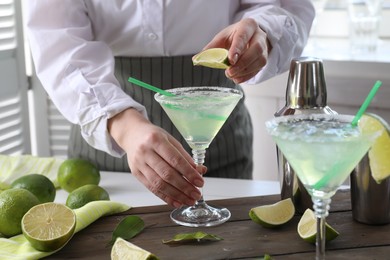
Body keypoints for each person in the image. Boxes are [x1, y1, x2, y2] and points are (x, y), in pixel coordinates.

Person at [25, 1, 315, 208]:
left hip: (221, 145)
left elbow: (285, 7)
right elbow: (56, 42)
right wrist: (124, 126)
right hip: (104, 151)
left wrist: (263, 30)